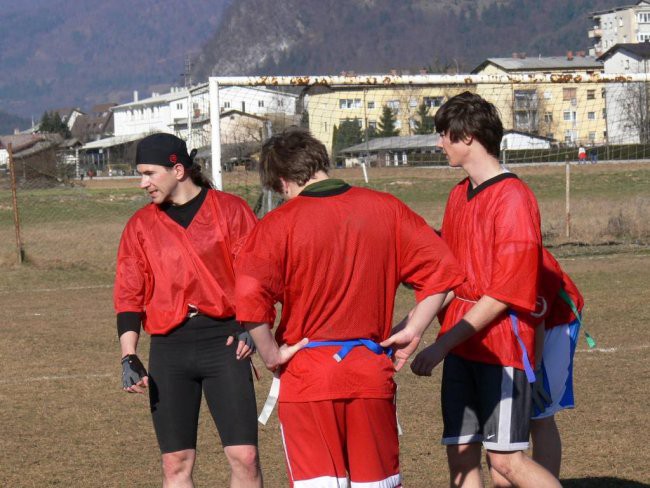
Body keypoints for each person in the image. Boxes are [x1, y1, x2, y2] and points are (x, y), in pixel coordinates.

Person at [234, 127, 464, 487]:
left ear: (281, 182)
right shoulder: (387, 208)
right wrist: (413, 328)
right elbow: (445, 271)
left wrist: (271, 354)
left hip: (308, 375)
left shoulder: (277, 224)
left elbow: (248, 295)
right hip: (369, 371)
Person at [389, 92, 561, 488]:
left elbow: (503, 293)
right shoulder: (456, 196)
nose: (438, 143)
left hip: (501, 347)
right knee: (462, 457)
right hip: (462, 348)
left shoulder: (515, 199)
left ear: (467, 136)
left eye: (443, 134)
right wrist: (412, 325)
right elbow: (448, 279)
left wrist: (441, 344)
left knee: (506, 463)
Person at [114, 133, 262, 488]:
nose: (143, 183)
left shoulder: (231, 210)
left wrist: (250, 324)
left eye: (149, 173)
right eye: (140, 174)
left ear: (177, 169)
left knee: (245, 456)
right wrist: (128, 355)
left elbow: (256, 274)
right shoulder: (140, 226)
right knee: (175, 462)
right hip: (170, 349)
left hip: (225, 342)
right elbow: (129, 293)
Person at [529, 249, 584, 477]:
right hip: (528, 321)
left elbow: (536, 319)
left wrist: (536, 369)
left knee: (540, 413)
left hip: (555, 322)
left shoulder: (528, 261)